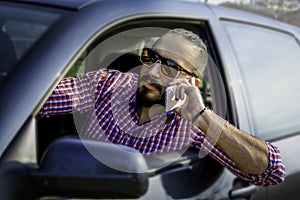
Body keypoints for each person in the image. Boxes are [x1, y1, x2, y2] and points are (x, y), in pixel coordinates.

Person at [39, 28, 285, 186]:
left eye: (168, 66)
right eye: (150, 58)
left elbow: (269, 172)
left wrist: (201, 116)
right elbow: (35, 102)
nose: (152, 71)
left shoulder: (194, 125)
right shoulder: (107, 84)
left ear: (191, 82)